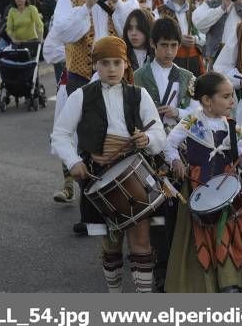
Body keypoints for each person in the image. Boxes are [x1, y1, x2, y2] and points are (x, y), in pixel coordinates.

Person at [51, 36, 167, 293]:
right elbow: (60, 134)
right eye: (105, 63)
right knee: (111, 244)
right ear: (95, 66)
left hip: (135, 176)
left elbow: (159, 134)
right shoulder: (82, 96)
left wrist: (147, 138)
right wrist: (74, 161)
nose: (112, 69)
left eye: (117, 62)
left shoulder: (140, 94)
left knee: (142, 242)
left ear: (126, 64)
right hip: (99, 178)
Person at [50, 0, 139, 231]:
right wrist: (86, 5)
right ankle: (90, 214)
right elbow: (62, 33)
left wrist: (118, 3)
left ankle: (123, 206)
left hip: (118, 80)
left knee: (119, 143)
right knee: (87, 146)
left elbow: (137, 34)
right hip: (82, 79)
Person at [164, 72, 242, 292]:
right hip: (198, 187)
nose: (232, 101)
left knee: (228, 234)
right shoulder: (192, 120)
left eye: (232, 96)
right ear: (206, 100)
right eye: (226, 97)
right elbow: (169, 144)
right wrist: (176, 162)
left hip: (226, 190)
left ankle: (229, 283)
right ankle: (201, 286)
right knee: (199, 236)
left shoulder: (234, 128)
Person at [133, 16, 200, 291]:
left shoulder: (187, 77)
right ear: (153, 44)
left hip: (178, 153)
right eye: (164, 45)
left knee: (177, 210)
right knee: (154, 212)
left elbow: (199, 114)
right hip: (148, 153)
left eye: (174, 45)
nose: (170, 51)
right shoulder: (137, 76)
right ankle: (158, 267)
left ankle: (176, 266)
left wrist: (179, 112)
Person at [155, 0, 206, 77]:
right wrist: (178, 39)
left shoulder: (196, 10)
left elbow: (205, 34)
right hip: (171, 58)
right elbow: (156, 35)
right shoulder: (159, 11)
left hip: (194, 59)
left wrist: (195, 39)